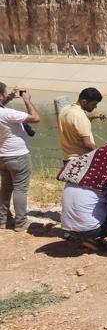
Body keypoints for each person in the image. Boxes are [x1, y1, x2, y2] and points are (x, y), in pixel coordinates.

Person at [0, 83, 40, 232]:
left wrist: (9, 96)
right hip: (18, 155)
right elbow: (35, 118)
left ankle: (2, 220)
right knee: (20, 189)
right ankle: (21, 222)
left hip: (2, 156)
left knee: (5, 188)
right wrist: (27, 100)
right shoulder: (8, 113)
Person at [58, 87, 105, 162]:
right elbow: (87, 143)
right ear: (84, 102)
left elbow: (75, 126)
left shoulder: (66, 110)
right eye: (94, 104)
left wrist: (91, 117)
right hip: (81, 161)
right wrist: (101, 155)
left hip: (68, 159)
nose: (95, 107)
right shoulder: (80, 117)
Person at [61, 183, 107, 251]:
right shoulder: (100, 184)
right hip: (91, 231)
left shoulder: (70, 182)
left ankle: (85, 239)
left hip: (68, 230)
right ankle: (91, 238)